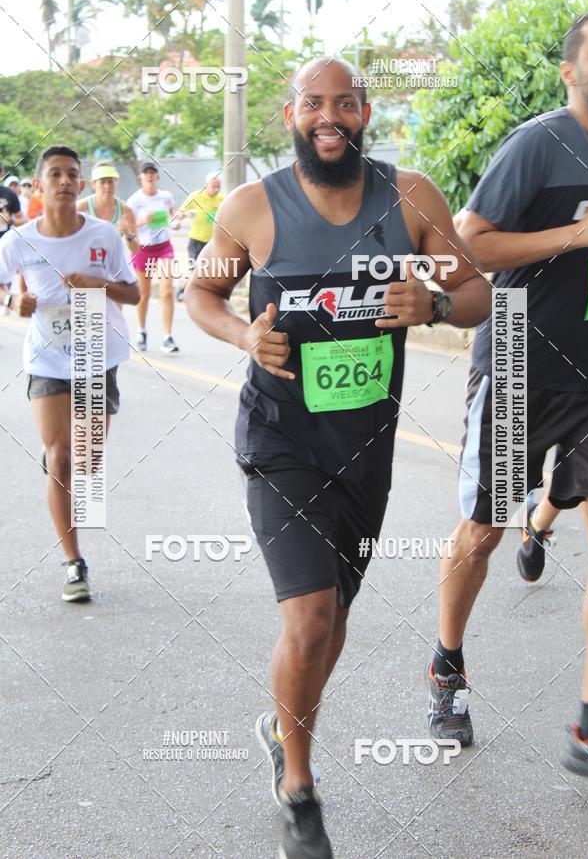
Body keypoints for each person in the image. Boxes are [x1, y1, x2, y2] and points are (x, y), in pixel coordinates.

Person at [185, 57, 490, 858]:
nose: (330, 117)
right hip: (280, 442)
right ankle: (298, 782)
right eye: (314, 104)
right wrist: (243, 335)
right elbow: (201, 296)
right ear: (291, 114)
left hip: (365, 449)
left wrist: (432, 301)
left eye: (345, 104)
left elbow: (479, 292)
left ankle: (277, 722)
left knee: (334, 622)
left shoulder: (410, 195)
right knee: (311, 616)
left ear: (364, 113)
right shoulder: (254, 208)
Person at [426, 12, 588, 778]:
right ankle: (447, 666)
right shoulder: (540, 142)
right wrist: (578, 236)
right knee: (482, 532)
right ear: (571, 69)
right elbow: (469, 243)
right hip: (524, 361)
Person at [0, 145, 140, 601]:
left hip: (98, 358)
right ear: (39, 185)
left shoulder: (104, 235)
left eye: (71, 174)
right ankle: (74, 563)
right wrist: (10, 301)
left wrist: (99, 284)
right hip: (47, 359)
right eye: (54, 174)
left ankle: (65, 455)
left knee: (86, 462)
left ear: (80, 185)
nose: (64, 181)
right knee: (60, 459)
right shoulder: (17, 241)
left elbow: (134, 295)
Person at [127, 161, 179, 354]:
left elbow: (171, 216)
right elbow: (128, 226)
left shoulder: (166, 197)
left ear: (157, 177)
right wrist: (143, 221)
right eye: (146, 173)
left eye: (152, 173)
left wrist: (175, 222)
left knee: (166, 291)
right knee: (144, 294)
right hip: (142, 249)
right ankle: (141, 332)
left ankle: (167, 337)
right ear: (140, 178)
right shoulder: (134, 200)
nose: (149, 176)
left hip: (164, 248)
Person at [174, 171, 224, 301]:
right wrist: (186, 214)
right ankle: (182, 288)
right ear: (206, 185)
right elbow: (179, 212)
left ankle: (203, 296)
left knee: (209, 272)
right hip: (196, 240)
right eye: (214, 186)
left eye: (219, 186)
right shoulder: (195, 196)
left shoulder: (222, 199)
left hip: (213, 242)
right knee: (195, 271)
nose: (216, 189)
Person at [77, 161, 140, 254]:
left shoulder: (125, 211)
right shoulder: (81, 208)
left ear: (116, 182)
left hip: (114, 264)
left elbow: (135, 249)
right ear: (93, 184)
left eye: (110, 181)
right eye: (102, 182)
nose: (107, 186)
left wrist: (127, 234)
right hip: (87, 263)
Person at [0, 164, 26, 238]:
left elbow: (21, 220)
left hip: (3, 239)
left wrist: (10, 220)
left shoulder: (9, 194)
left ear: (1, 174)